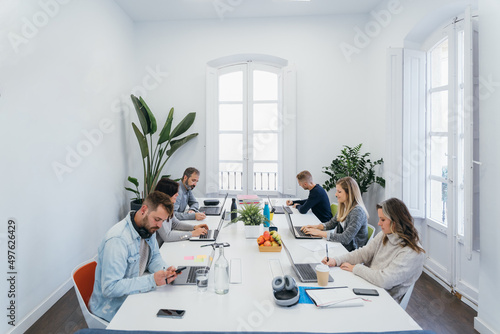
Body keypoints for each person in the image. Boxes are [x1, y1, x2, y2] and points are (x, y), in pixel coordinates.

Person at [89, 191, 180, 322]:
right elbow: (110, 288)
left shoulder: (148, 228)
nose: (159, 225)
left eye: (163, 221)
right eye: (157, 219)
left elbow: (154, 257)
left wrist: (165, 271)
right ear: (144, 210)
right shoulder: (118, 240)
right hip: (113, 309)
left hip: (134, 295)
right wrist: (152, 280)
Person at [321, 198, 426, 303]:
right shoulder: (385, 235)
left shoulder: (412, 253)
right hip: (369, 285)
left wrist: (355, 268)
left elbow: (384, 280)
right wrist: (336, 260)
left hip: (382, 300)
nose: (379, 223)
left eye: (383, 220)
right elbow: (364, 253)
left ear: (395, 222)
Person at [301, 176, 368, 251]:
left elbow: (345, 238)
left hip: (351, 251)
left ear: (349, 193)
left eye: (339, 192)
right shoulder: (344, 206)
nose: (336, 194)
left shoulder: (357, 212)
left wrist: (319, 233)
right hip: (340, 246)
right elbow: (332, 223)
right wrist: (314, 227)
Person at [155, 177, 209, 244]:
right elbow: (167, 236)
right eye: (175, 193)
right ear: (166, 194)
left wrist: (194, 227)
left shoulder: (168, 207)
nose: (177, 195)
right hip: (161, 248)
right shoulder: (158, 211)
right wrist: (192, 234)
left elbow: (175, 224)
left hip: (166, 245)